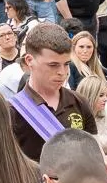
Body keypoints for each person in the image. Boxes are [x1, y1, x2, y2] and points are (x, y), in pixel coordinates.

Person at [7, 22, 100, 163]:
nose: (62, 73)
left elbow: (93, 156)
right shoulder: (11, 112)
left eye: (67, 64)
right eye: (53, 65)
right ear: (29, 60)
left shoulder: (79, 102)